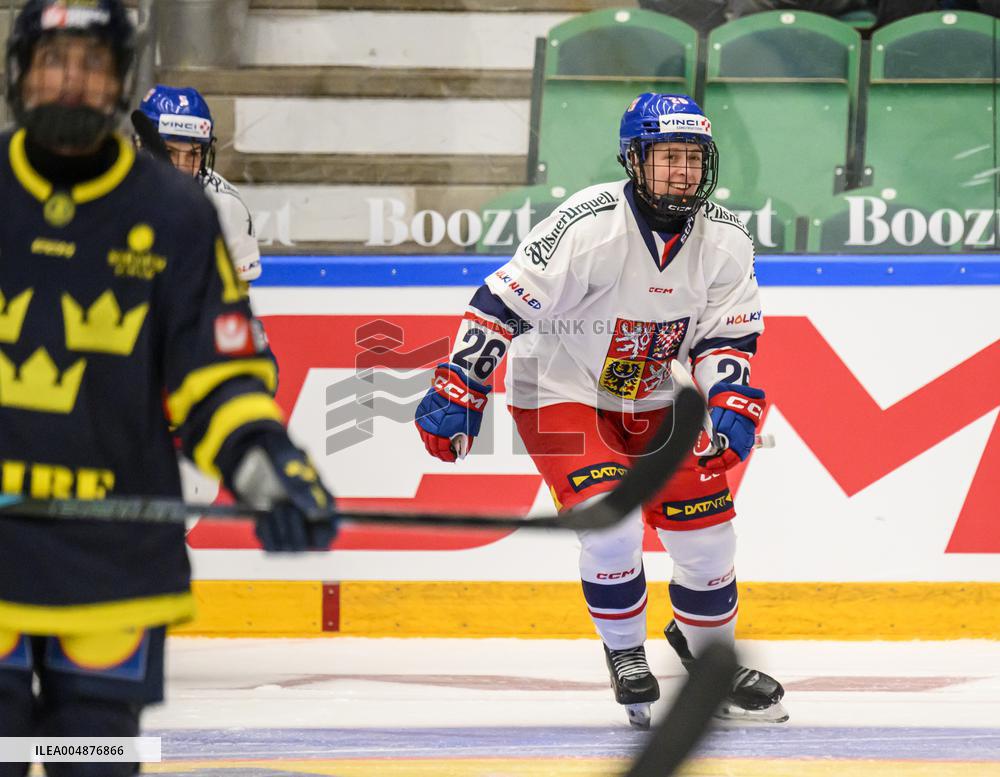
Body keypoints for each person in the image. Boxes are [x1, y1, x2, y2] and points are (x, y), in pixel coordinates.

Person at [0, 2, 337, 775]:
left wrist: (262, 463)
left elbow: (217, 377)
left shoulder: (179, 216)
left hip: (113, 566)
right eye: (54, 61)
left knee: (95, 759)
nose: (72, 81)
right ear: (21, 74)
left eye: (92, 64)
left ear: (121, 84)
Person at [414, 92, 786, 729]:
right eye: (668, 156)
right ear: (634, 160)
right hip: (561, 392)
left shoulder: (726, 238)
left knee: (708, 541)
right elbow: (500, 303)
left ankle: (705, 662)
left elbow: (725, 337)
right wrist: (461, 384)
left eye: (694, 158)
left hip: (659, 398)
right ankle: (625, 655)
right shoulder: (585, 226)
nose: (683, 171)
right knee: (610, 525)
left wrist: (729, 397)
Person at [133, 85, 261, 284]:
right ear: (143, 147)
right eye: (169, 152)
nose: (182, 167)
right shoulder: (114, 196)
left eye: (193, 154)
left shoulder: (226, 205)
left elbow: (237, 295)